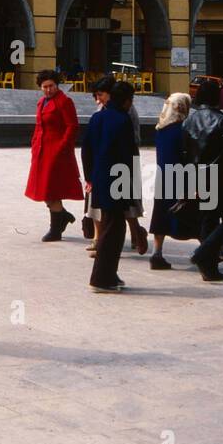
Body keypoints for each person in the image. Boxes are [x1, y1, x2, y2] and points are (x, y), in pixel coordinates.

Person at [82, 80, 140, 292]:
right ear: (126, 101)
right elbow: (128, 155)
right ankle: (101, 279)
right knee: (113, 230)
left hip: (99, 179)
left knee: (109, 226)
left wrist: (90, 178)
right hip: (119, 180)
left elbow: (86, 149)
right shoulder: (123, 120)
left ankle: (109, 274)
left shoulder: (97, 117)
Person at [183, 79, 223, 282]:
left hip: (198, 177)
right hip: (217, 177)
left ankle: (208, 261)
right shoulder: (220, 119)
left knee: (208, 220)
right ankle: (206, 257)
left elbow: (184, 152)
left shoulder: (189, 120)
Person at [25, 69, 83, 241]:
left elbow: (72, 126)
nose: (48, 89)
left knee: (52, 191)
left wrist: (63, 147)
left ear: (57, 85)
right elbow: (38, 126)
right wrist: (34, 145)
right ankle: (62, 217)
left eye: (51, 86)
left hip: (56, 152)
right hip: (42, 150)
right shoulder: (41, 102)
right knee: (43, 189)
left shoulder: (64, 101)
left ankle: (56, 229)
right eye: (44, 87)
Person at [148, 92, 195, 269]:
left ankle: (156, 253)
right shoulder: (182, 129)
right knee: (195, 213)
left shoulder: (160, 128)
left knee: (160, 214)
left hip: (163, 177)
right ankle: (204, 251)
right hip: (181, 176)